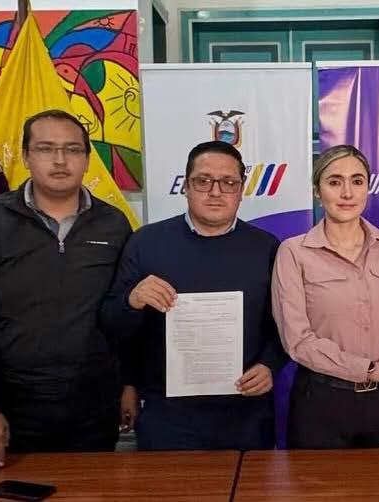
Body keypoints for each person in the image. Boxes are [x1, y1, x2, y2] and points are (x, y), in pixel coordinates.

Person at [0, 110, 134, 475]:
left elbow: (124, 314)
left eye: (72, 149)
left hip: (94, 405)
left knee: (92, 491)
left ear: (87, 158)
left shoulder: (113, 223)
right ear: (26, 156)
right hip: (14, 406)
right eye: (46, 149)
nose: (60, 160)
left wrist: (129, 383)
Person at [101, 141, 284, 451]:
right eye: (203, 181)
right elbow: (110, 325)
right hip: (167, 417)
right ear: (185, 186)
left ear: (241, 190)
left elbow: (283, 326)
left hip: (245, 413)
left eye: (228, 183)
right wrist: (132, 300)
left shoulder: (267, 248)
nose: (215, 192)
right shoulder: (145, 243)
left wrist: (269, 365)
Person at [272, 145, 379, 449]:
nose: (347, 193)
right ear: (317, 191)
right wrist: (369, 368)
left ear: (368, 188)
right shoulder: (294, 252)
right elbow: (297, 341)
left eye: (357, 181)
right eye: (335, 182)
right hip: (322, 403)